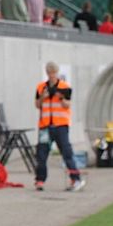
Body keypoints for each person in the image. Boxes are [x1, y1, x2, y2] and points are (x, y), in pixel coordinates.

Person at [33, 61, 85, 192]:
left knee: (67, 152)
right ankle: (40, 180)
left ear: (57, 73)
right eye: (49, 73)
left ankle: (76, 178)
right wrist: (43, 97)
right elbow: (37, 105)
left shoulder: (64, 86)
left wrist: (60, 97)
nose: (51, 75)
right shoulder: (41, 87)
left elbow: (67, 105)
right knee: (41, 154)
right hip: (45, 125)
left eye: (53, 73)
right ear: (46, 73)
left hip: (61, 125)